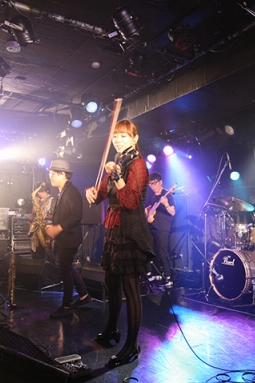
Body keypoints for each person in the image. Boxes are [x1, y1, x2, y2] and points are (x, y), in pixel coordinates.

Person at [85, 119, 154, 368]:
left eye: (124, 136)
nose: (118, 140)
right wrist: (92, 192)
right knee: (111, 283)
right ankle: (112, 330)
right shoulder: (119, 163)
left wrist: (115, 175)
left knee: (130, 290)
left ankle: (131, 345)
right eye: (116, 136)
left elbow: (131, 202)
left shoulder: (137, 164)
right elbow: (102, 193)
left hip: (131, 233)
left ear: (135, 138)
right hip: (114, 231)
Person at [44, 160, 92, 319]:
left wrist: (58, 227)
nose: (50, 176)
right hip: (65, 238)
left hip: (69, 238)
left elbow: (77, 215)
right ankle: (84, 295)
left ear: (63, 174)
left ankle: (66, 305)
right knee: (67, 267)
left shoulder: (71, 191)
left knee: (64, 271)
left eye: (53, 174)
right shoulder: (63, 191)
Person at [144, 172, 175, 288]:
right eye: (150, 184)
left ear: (161, 182)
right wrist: (147, 211)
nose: (153, 186)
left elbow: (173, 212)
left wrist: (166, 204)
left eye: (155, 183)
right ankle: (152, 273)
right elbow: (151, 207)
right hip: (152, 226)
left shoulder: (167, 195)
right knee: (149, 250)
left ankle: (168, 278)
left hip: (162, 228)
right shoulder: (153, 196)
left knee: (162, 252)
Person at [29, 183, 55, 263]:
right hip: (38, 229)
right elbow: (32, 216)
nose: (40, 194)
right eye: (39, 192)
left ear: (47, 191)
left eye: (42, 192)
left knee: (48, 253)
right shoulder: (38, 201)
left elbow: (55, 215)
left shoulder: (52, 200)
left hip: (47, 229)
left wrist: (45, 216)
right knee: (37, 254)